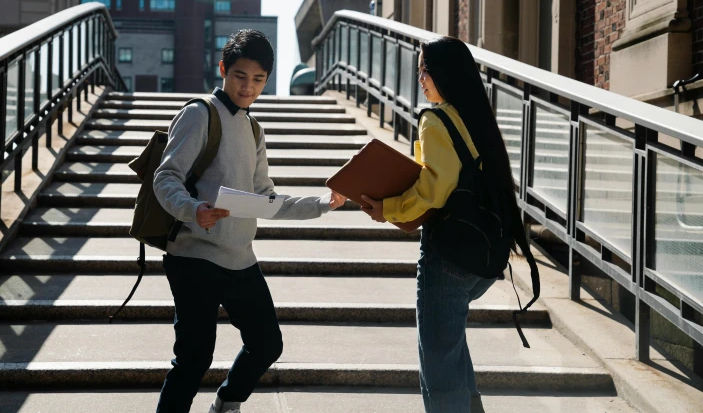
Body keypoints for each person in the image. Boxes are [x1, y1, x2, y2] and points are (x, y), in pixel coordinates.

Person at [153, 29, 346, 413]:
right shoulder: (199, 114)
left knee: (267, 343)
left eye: (259, 80)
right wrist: (194, 210)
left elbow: (265, 198)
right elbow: (165, 177)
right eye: (240, 76)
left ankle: (226, 402)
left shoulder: (254, 128)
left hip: (239, 256)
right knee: (193, 360)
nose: (248, 87)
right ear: (223, 69)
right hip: (194, 256)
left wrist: (323, 203)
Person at [360, 36, 524, 413]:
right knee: (452, 358)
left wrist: (389, 208)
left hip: (448, 256)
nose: (420, 77)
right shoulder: (474, 116)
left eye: (425, 69)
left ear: (443, 73)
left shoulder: (434, 120)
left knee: (439, 369)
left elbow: (435, 190)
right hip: (481, 255)